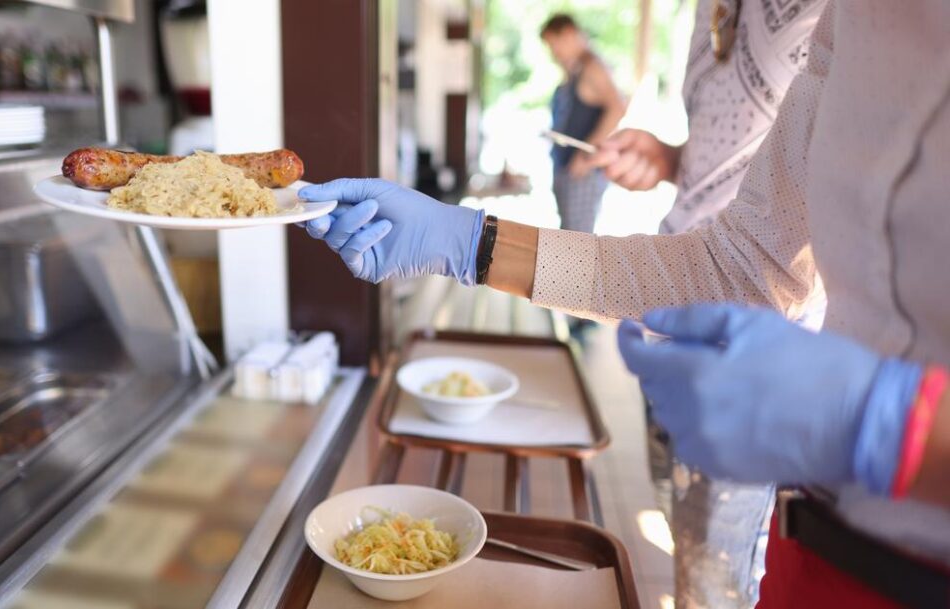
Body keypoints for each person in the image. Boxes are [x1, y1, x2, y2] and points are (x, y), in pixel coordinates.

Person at [297, 2, 950, 606]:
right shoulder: (850, 19)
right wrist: (470, 242)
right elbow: (745, 265)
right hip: (815, 555)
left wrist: (892, 423)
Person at [586, 2, 823, 607]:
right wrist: (671, 158)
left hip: (761, 343)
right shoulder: (710, 9)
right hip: (676, 323)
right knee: (689, 549)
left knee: (720, 582)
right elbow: (739, 148)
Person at [539, 14, 624, 232]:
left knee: (577, 240)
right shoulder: (575, 69)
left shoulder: (593, 68)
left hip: (582, 172)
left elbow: (617, 107)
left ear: (567, 34)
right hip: (566, 168)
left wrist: (587, 156)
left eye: (553, 45)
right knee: (568, 233)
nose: (553, 53)